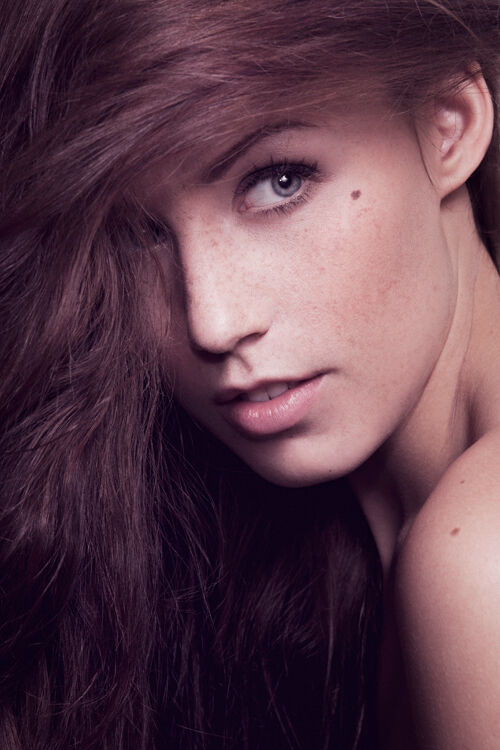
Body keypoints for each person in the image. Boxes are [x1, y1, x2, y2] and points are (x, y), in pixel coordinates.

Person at [0, 0, 499, 747]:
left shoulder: (482, 559)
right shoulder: (319, 567)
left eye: (278, 182)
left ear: (448, 124)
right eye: (136, 235)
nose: (213, 320)